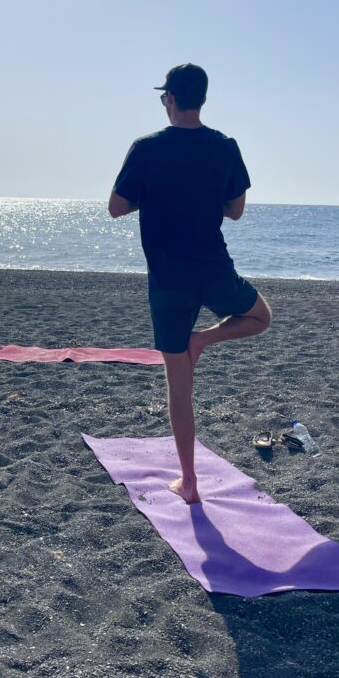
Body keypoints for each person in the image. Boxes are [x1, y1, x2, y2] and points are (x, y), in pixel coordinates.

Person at [108, 64, 271, 503]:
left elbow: (116, 207)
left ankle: (190, 482)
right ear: (202, 99)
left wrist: (154, 194)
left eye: (164, 97)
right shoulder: (225, 146)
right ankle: (205, 340)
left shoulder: (146, 148)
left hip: (168, 279)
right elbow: (235, 210)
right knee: (260, 317)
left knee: (179, 389)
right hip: (213, 269)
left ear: (171, 99)